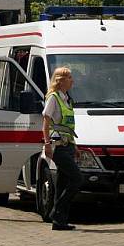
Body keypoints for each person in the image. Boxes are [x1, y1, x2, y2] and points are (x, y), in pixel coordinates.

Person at [42, 66, 83, 231]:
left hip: (68, 146)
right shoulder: (53, 98)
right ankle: (56, 212)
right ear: (61, 80)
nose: (72, 80)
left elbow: (67, 127)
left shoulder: (67, 98)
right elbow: (45, 122)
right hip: (57, 147)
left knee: (63, 183)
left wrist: (75, 146)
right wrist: (46, 144)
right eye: (70, 77)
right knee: (77, 179)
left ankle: (59, 221)